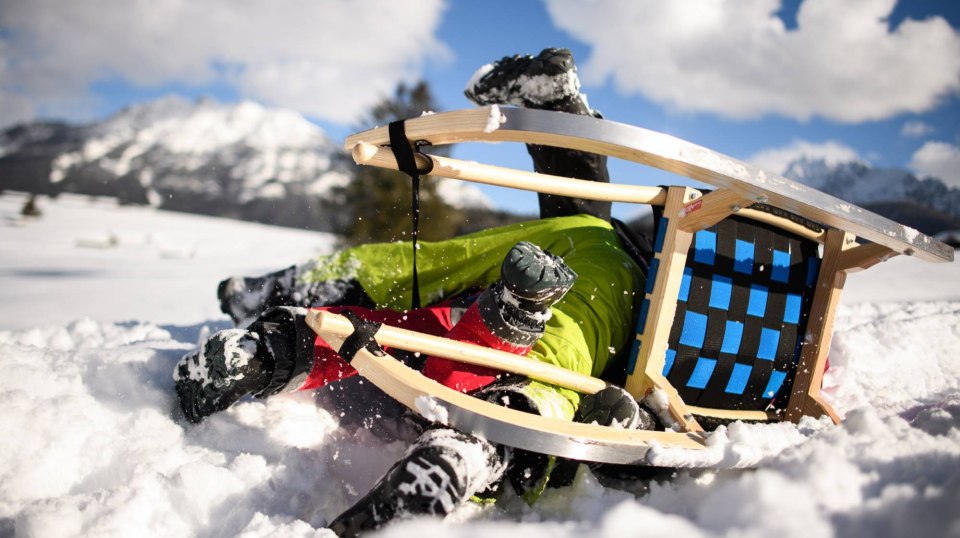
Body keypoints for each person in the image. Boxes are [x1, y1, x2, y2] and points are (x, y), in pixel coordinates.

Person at [174, 48, 654, 536]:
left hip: (631, 283)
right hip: (637, 304)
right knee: (517, 322)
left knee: (446, 278)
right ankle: (477, 441)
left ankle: (277, 322)